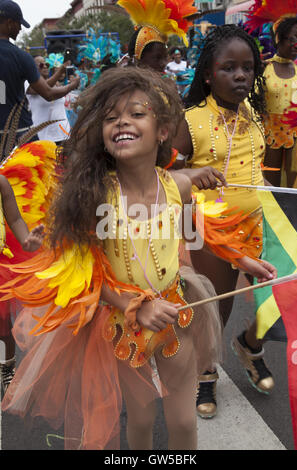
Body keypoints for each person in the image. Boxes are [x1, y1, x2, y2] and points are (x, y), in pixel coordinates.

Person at [0, 66, 276, 450]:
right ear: (101, 132)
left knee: (182, 421)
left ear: (162, 130)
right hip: (121, 324)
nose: (122, 122)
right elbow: (85, 274)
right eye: (111, 117)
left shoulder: (176, 184)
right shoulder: (94, 197)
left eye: (136, 113)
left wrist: (244, 261)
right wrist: (133, 306)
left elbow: (199, 232)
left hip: (175, 310)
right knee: (142, 418)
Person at [173, 24, 276, 419]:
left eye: (248, 68)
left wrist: (279, 203)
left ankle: (249, 346)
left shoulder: (252, 114)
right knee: (216, 308)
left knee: (276, 300)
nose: (240, 76)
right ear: (207, 74)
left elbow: (254, 172)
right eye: (229, 68)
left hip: (257, 221)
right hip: (209, 230)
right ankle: (205, 373)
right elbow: (168, 178)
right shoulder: (192, 120)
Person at [0, 0, 79, 152]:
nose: (20, 29)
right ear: (10, 23)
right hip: (18, 135)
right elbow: (48, 94)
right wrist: (72, 86)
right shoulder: (21, 57)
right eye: (18, 24)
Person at [0, 168, 45, 393]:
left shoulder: (0, 183)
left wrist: (27, 240)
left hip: (1, 267)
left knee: (1, 329)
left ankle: (6, 367)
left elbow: (15, 218)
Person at [261, 17, 297, 187]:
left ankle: (293, 214)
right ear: (279, 38)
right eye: (294, 38)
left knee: (294, 185)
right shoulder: (264, 69)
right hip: (271, 134)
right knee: (271, 184)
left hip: (296, 135)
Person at [26, 56, 71, 145]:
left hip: (63, 134)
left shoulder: (56, 84)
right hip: (42, 136)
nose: (45, 67)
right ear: (33, 68)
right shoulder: (28, 83)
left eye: (47, 64)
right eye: (41, 65)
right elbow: (46, 91)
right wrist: (60, 72)